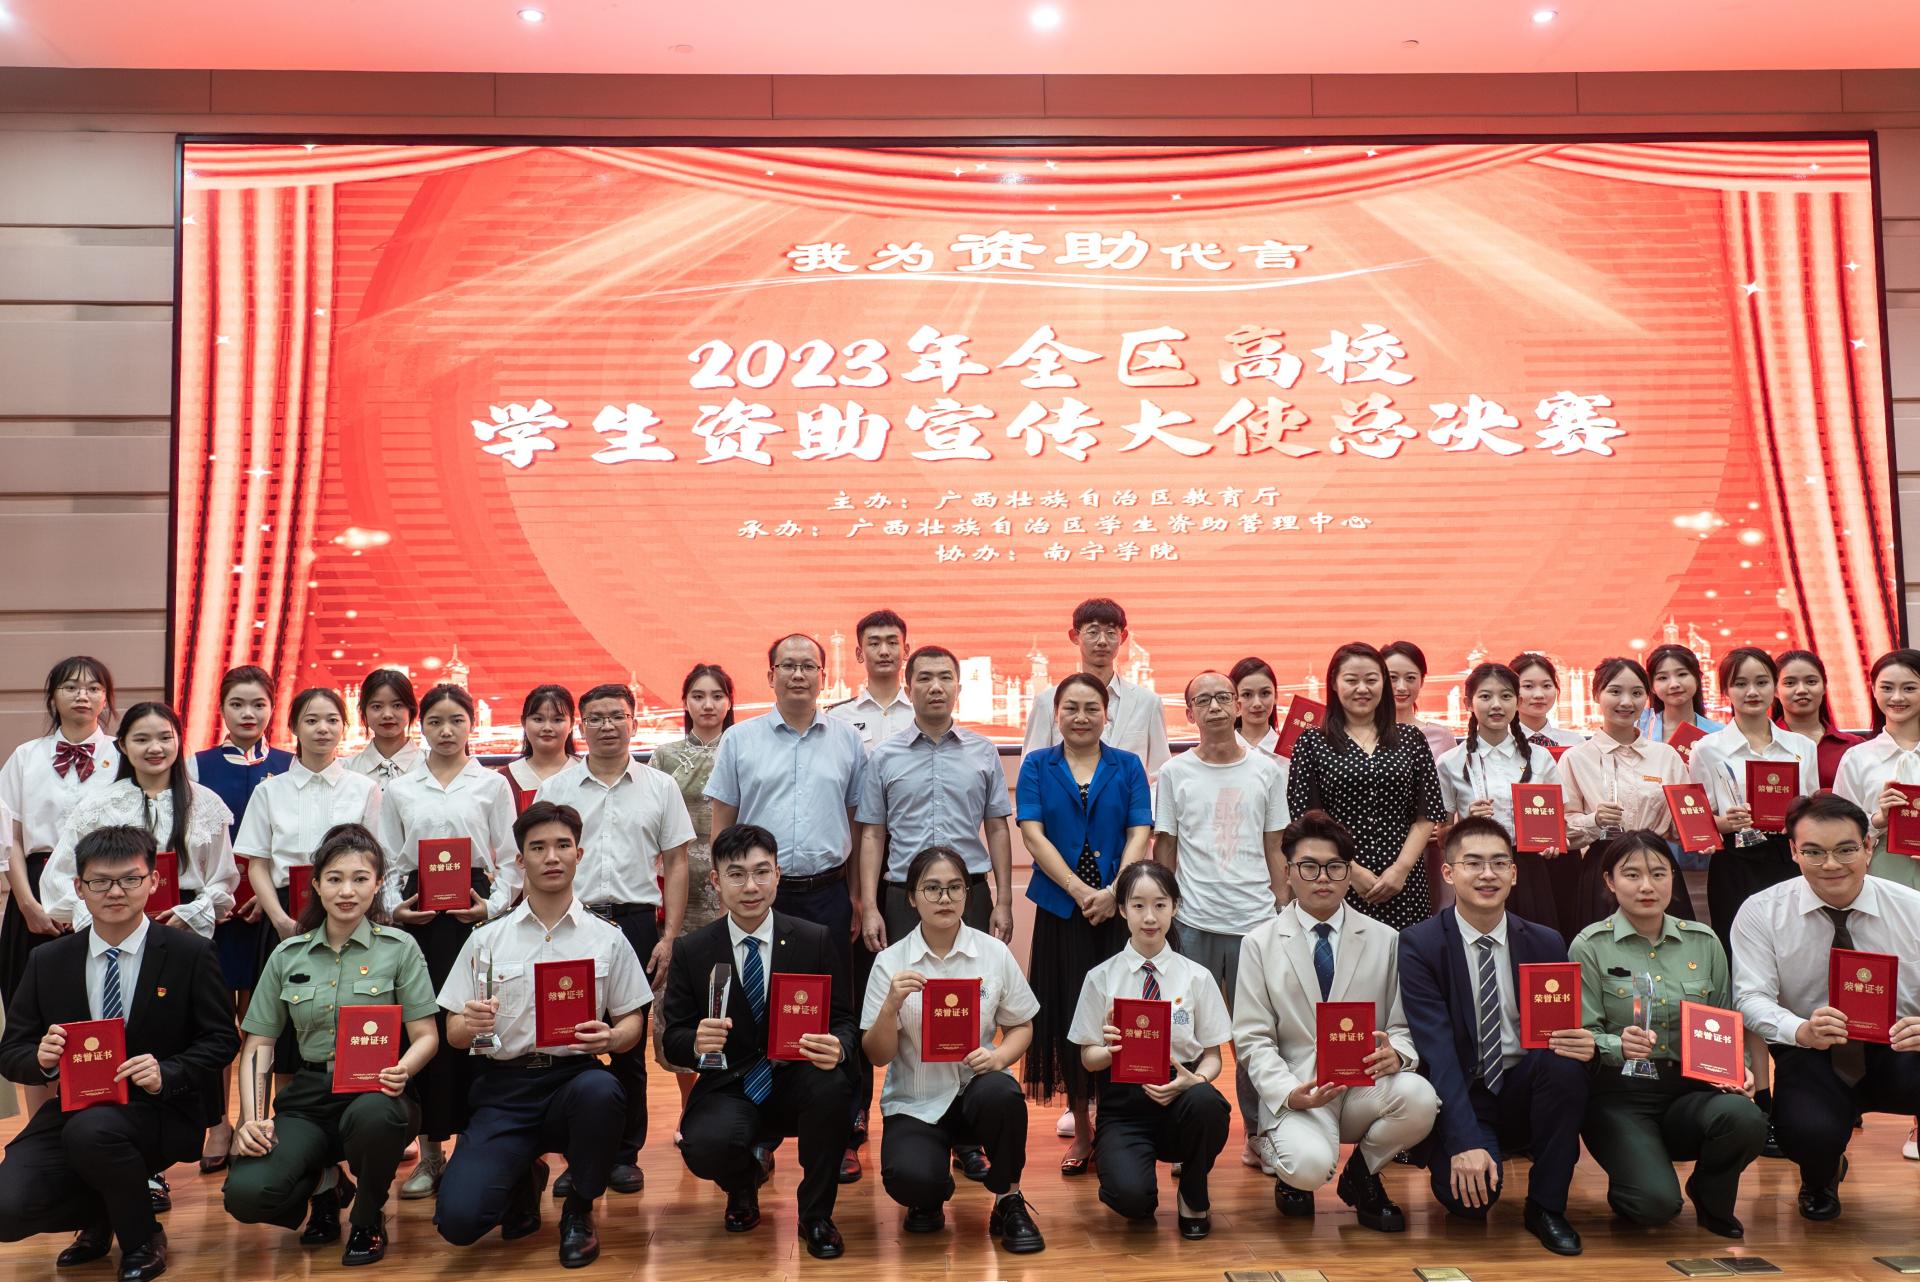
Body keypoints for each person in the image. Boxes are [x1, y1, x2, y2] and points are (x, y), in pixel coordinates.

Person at [0, 825, 238, 1281]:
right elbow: (11, 1051)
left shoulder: (189, 953)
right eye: (100, 882)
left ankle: (141, 1238)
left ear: (153, 881)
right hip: (75, 1110)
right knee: (7, 1209)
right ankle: (105, 1210)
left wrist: (169, 1070)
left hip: (161, 1109)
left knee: (93, 1132)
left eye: (130, 879)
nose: (115, 892)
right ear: (79, 888)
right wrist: (42, 1059)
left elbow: (222, 1039)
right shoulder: (48, 961)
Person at [434, 800, 652, 1269]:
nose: (551, 857)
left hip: (574, 1080)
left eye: (562, 846)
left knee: (602, 1091)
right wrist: (469, 1024)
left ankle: (579, 1209)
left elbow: (634, 1021)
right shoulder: (487, 938)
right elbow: (452, 1032)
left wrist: (612, 1040)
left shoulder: (607, 937)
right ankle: (524, 1176)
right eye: (537, 848)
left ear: (579, 854)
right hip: (504, 1090)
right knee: (458, 1223)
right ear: (520, 860)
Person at [222, 824, 438, 1266]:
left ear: (378, 884)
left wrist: (404, 1069)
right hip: (310, 1098)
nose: (347, 891)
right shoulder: (288, 955)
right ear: (316, 884)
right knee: (245, 1194)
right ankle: (327, 1184)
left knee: (375, 1115)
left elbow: (427, 1036)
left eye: (360, 878)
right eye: (335, 879)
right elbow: (259, 1044)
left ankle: (367, 1218)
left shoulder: (399, 948)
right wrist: (253, 1118)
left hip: (378, 1091)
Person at [705, 635, 867, 1180]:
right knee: (759, 1010)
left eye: (808, 666)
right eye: (788, 666)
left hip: (827, 893)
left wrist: (857, 896)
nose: (799, 675)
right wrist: (728, 893)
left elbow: (857, 823)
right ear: (770, 674)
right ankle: (762, 1131)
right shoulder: (740, 740)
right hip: (759, 895)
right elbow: (723, 825)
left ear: (823, 674)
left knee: (834, 1012)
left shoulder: (847, 740)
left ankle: (842, 1133)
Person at [1397, 817, 1595, 1256]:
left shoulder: (1546, 941)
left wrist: (1583, 1044)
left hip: (1524, 1084)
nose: (1487, 874)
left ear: (1514, 873)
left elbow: (1558, 1031)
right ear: (1448, 872)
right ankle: (1469, 1145)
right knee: (1470, 1204)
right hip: (1463, 1092)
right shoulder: (1420, 945)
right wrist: (1464, 1141)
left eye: (1499, 863)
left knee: (1565, 1063)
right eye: (1473, 863)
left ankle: (1547, 1206)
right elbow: (1437, 1052)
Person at [1233, 810, 1438, 1230]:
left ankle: (1362, 1174)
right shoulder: (1259, 943)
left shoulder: (1386, 939)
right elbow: (1253, 1038)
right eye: (1309, 866)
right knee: (1307, 1167)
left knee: (1420, 1098)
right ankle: (1285, 1162)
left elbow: (1401, 1025)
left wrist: (1398, 1055)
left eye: (1335, 867)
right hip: (1300, 1087)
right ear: (1288, 872)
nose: (1322, 877)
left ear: (1348, 873)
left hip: (1365, 1086)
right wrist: (1288, 1092)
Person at [662, 822, 855, 1260]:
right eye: (736, 874)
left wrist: (840, 1046)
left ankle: (816, 1216)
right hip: (730, 1083)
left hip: (798, 1076)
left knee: (834, 1088)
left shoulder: (814, 940)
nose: (750, 886)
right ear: (716, 881)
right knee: (703, 1145)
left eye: (761, 872)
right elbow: (673, 1038)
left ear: (777, 875)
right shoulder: (693, 950)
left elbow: (844, 1020)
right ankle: (743, 1184)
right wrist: (695, 1041)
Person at [533, 682, 693, 1194]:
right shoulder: (556, 788)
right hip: (571, 924)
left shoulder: (659, 786)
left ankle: (625, 1154)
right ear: (581, 726)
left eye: (617, 716)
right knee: (568, 1042)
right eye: (596, 718)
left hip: (636, 924)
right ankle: (578, 1157)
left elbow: (677, 863)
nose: (607, 726)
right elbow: (536, 861)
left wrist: (669, 937)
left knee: (628, 1044)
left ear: (633, 722)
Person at [1732, 791, 1920, 1222]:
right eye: (1814, 851)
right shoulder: (1762, 912)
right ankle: (1821, 1176)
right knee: (1805, 1132)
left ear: (1868, 847)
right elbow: (1750, 996)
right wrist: (1800, 1030)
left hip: (1900, 1048)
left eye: (1846, 850)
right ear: (1793, 851)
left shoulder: (1912, 909)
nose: (1831, 864)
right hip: (1811, 1050)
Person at [1568, 831, 1766, 1238]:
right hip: (1619, 1095)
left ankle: (1711, 1195)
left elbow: (1725, 1018)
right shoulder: (1590, 945)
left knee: (1745, 1117)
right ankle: (1636, 1179)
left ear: (1672, 879)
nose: (1647, 886)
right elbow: (1580, 1033)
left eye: (1658, 873)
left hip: (1690, 1091)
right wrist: (1616, 1044)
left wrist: (1739, 1069)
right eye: (1632, 875)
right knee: (1654, 1205)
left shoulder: (1703, 941)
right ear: (1609, 881)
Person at [861, 845, 1044, 1252]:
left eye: (954, 888)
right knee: (911, 1180)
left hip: (976, 1090)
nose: (944, 898)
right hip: (916, 1100)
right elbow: (877, 1055)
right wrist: (890, 1006)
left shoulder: (993, 953)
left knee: (1003, 1094)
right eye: (932, 888)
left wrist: (999, 1057)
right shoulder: (891, 962)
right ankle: (930, 1191)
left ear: (967, 894)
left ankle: (1008, 1199)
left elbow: (1022, 1025)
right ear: (912, 897)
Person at [376, 683, 519, 1199]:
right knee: (427, 1026)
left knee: (475, 1024)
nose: (446, 730)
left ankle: (472, 1150)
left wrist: (491, 908)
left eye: (456, 720)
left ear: (470, 725)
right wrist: (394, 908)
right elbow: (387, 861)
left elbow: (511, 860)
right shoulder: (400, 789)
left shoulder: (492, 785)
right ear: (422, 727)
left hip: (473, 917)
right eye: (435, 721)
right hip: (419, 920)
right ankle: (430, 1153)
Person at [1016, 673, 1152, 1173]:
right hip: (1061, 910)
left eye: (1091, 708)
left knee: (1121, 1015)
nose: (1081, 717)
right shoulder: (1037, 764)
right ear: (1056, 714)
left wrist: (1114, 892)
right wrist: (1078, 890)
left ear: (1106, 714)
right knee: (1071, 1015)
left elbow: (1140, 829)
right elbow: (1032, 833)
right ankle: (1081, 1127)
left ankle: (1118, 1123)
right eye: (1070, 708)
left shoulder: (1127, 765)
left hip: (1118, 912)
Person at [1153, 670, 1288, 1169]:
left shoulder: (1267, 771)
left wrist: (1282, 907)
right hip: (1194, 922)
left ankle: (1260, 1133)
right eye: (1203, 700)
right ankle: (1186, 1138)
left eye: (1223, 698)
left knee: (1256, 1036)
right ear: (1189, 713)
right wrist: (1165, 915)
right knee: (1188, 1032)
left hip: (1255, 922)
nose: (1214, 707)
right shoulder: (1175, 773)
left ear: (1237, 705)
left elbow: (1276, 845)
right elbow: (1165, 846)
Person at [1069, 861, 1232, 1238]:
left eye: (1160, 905)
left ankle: (1193, 1190)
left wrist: (1194, 1080)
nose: (1149, 917)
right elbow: (1088, 1059)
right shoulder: (1100, 978)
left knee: (1208, 1103)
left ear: (1175, 907)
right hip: (1124, 1106)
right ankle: (1131, 1180)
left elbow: (1213, 1056)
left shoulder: (1197, 976)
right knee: (1133, 1202)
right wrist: (1112, 1049)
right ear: (1122, 909)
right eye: (1138, 905)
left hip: (1181, 1094)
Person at [234, 688, 382, 1074]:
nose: (322, 729)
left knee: (347, 1018)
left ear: (344, 727)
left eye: (332, 720)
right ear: (294, 727)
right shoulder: (269, 791)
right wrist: (281, 921)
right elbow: (258, 865)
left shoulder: (364, 788)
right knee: (283, 1035)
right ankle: (282, 1111)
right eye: (311, 720)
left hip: (350, 912)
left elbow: (376, 860)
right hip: (287, 915)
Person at [0, 656, 121, 1059]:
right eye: (70, 687)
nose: (82, 696)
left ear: (106, 699)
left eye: (93, 688)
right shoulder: (26, 756)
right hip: (36, 886)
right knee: (33, 1018)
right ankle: (39, 1100)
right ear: (53, 697)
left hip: (106, 883)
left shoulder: (123, 755)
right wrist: (27, 904)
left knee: (99, 1004)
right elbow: (10, 839)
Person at [859, 644, 1015, 948]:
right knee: (906, 978)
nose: (935, 687)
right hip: (905, 895)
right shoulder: (884, 755)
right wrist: (870, 908)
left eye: (945, 677)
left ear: (958, 688)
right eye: (925, 678)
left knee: (975, 976)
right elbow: (872, 835)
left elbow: (997, 829)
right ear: (908, 690)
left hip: (969, 892)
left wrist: (1004, 901)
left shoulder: (983, 752)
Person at [43, 701, 239, 941]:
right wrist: (96, 916)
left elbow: (223, 878)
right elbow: (57, 876)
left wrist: (194, 913)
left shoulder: (207, 804)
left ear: (179, 740)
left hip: (185, 928)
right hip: (114, 925)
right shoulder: (98, 805)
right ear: (123, 745)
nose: (155, 748)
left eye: (165, 738)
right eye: (142, 739)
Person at [1286, 642, 1446, 931]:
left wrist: (1400, 870)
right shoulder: (1312, 743)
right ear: (1334, 683)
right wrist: (1351, 871)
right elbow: (1307, 818)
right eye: (1351, 680)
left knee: (1406, 955)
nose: (1362, 689)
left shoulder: (1411, 739)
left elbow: (1427, 814)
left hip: (1404, 883)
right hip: (1336, 880)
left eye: (1371, 680)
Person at [1687, 648, 1819, 957]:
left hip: (1789, 857)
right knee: (1738, 948)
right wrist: (1725, 822)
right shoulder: (1707, 749)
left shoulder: (1802, 746)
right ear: (1726, 690)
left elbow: (1812, 809)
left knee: (1794, 947)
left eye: (1761, 682)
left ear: (1775, 686)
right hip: (1735, 860)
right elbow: (1699, 821)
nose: (1752, 692)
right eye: (1740, 684)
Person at [1557, 658, 1697, 931]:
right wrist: (1594, 820)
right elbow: (1562, 830)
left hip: (1657, 864)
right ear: (1596, 695)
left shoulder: (1666, 756)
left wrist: (1700, 832)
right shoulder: (1576, 758)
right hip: (1603, 868)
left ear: (1647, 697)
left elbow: (1681, 823)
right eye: (1615, 691)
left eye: (1636, 693)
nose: (1626, 702)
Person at [649, 664, 734, 1103]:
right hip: (677, 887)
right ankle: (688, 1100)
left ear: (730, 702)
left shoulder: (742, 749)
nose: (708, 705)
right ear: (685, 702)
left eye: (717, 696)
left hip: (731, 887)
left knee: (727, 991)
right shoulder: (663, 757)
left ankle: (723, 1095)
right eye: (698, 696)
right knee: (679, 996)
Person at [1434, 663, 1565, 932]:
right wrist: (1467, 823)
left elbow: (1558, 822)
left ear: (1518, 702)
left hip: (1530, 870)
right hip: (1476, 869)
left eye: (1506, 696)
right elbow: (1443, 836)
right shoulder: (1450, 762)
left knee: (1533, 943)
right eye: (1485, 696)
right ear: (1468, 703)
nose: (1496, 705)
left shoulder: (1540, 758)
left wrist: (1553, 842)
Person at [1020, 597, 1170, 782]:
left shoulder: (1148, 702)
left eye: (1111, 633)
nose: (1102, 641)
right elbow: (1031, 772)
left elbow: (1160, 774)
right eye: (1093, 632)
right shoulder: (1047, 701)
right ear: (1074, 636)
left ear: (1122, 637)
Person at [1833, 647, 1920, 892]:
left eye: (1909, 688)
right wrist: (1878, 819)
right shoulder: (1857, 758)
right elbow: (1838, 827)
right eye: (1887, 688)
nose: (1897, 697)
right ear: (1873, 690)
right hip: (1880, 875)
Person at [1772, 650, 1864, 790]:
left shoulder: (1854, 746)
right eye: (1790, 683)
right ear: (1775, 690)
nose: (1801, 690)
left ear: (1824, 687)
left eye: (1811, 682)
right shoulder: (1762, 745)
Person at [827, 609, 915, 747]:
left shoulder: (921, 715)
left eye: (892, 643)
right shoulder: (837, 717)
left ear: (906, 651)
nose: (884, 652)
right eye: (874, 644)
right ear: (859, 654)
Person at [499, 685, 579, 815]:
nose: (547, 727)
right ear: (523, 722)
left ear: (571, 724)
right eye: (538, 719)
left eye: (557, 720)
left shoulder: (587, 774)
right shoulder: (503, 779)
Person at [1382, 641, 1461, 761]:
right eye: (1392, 677)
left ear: (1422, 681)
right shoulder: (1364, 735)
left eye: (1410, 678)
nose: (1401, 687)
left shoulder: (1441, 737)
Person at [1638, 643, 1726, 747]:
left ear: (1698, 678)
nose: (1674, 684)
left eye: (1682, 674)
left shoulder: (1719, 733)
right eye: (1663, 678)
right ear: (1651, 686)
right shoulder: (1638, 731)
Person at [345, 670, 421, 784]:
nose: (387, 715)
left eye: (397, 705)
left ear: (411, 709)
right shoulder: (346, 770)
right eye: (377, 707)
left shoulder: (433, 765)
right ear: (364, 711)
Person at [1508, 652, 1586, 751]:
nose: (1539, 695)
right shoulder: (1498, 743)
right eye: (1528, 686)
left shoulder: (1575, 743)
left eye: (1546, 686)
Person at [1229, 656, 1281, 755]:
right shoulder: (1220, 752)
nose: (1257, 703)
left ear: (1276, 696)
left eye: (1265, 693)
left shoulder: (1291, 752)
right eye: (1247, 694)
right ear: (1234, 700)